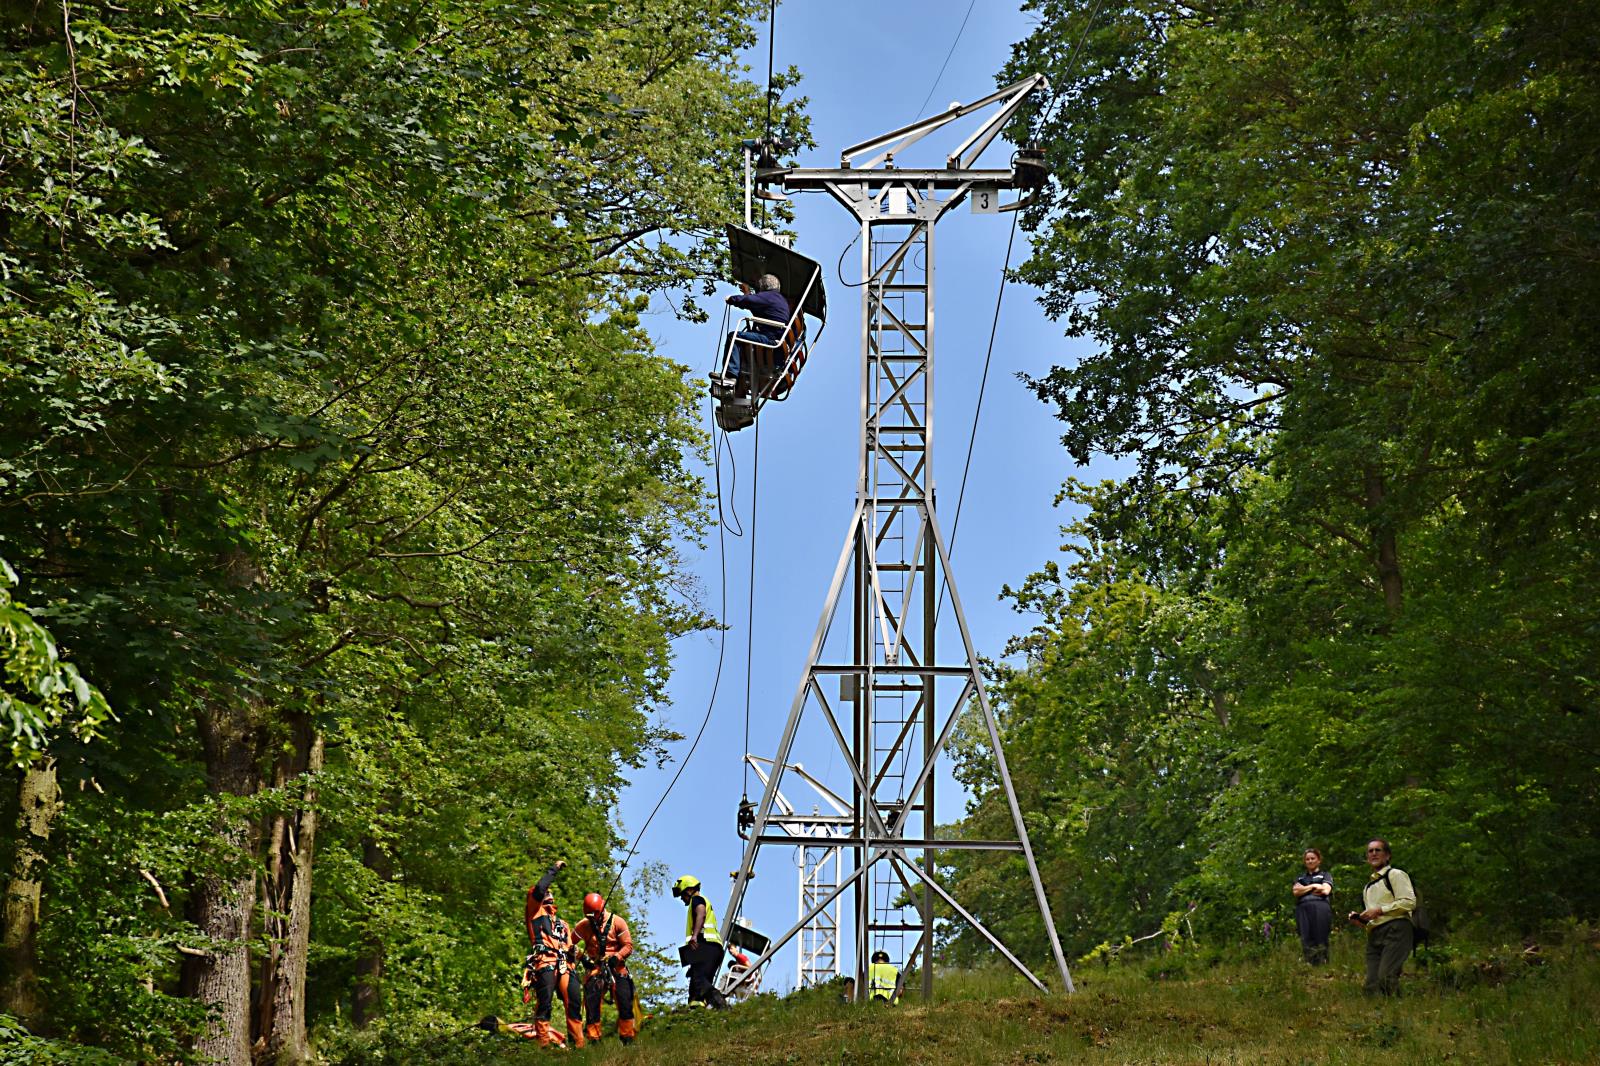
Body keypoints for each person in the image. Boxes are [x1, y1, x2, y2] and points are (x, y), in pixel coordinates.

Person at [522, 860, 584, 1048]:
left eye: (550, 892)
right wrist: (554, 869)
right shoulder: (534, 911)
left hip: (565, 964)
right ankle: (543, 1046)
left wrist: (581, 955)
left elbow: (571, 947)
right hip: (545, 961)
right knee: (545, 1003)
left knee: (574, 1001)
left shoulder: (562, 924)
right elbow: (540, 888)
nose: (548, 893)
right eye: (546, 892)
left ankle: (578, 1047)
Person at [1348, 838, 1416, 996]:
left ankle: (1398, 1008)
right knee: (1371, 986)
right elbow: (1372, 916)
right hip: (1374, 935)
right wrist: (1361, 920)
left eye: (1378, 850)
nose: (1373, 854)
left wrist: (1380, 910)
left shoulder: (1395, 875)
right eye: (1370, 851)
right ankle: (1378, 1010)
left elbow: (1409, 902)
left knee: (1386, 978)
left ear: (1387, 855)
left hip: (1396, 929)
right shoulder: (1368, 887)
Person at [573, 892, 637, 1044]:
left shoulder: (617, 922)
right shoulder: (583, 925)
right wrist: (582, 957)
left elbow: (628, 946)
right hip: (596, 967)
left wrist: (617, 957)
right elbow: (568, 943)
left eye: (595, 915)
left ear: (602, 909)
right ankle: (594, 1038)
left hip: (616, 966)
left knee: (624, 998)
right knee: (592, 1000)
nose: (593, 919)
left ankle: (627, 1037)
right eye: (590, 916)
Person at [713, 274, 791, 395]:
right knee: (743, 340)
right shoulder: (779, 299)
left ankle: (730, 376)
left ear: (763, 286)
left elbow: (749, 301)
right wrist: (747, 293)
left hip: (768, 340)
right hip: (776, 342)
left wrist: (731, 299)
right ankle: (733, 386)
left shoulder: (769, 296)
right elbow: (756, 308)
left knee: (734, 337)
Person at [671, 875, 728, 1009]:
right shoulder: (698, 900)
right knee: (696, 987)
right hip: (711, 948)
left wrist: (695, 935)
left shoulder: (697, 899)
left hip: (706, 945)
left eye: (682, 894)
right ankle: (697, 1012)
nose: (681, 898)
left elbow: (701, 912)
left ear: (689, 890)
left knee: (700, 982)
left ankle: (722, 1006)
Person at [1291, 847, 1333, 964]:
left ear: (1319, 860)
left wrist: (1304, 888)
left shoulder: (1325, 875)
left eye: (1312, 858)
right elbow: (1296, 892)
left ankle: (1323, 964)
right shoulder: (1300, 877)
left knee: (1321, 936)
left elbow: (1325, 890)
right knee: (1306, 937)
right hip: (1303, 908)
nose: (1310, 861)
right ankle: (1309, 965)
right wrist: (1314, 886)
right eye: (1307, 859)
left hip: (1321, 906)